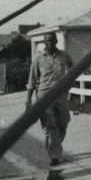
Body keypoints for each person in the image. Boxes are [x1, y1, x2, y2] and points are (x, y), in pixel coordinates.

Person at [25, 31, 74, 166]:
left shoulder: (63, 55)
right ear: (44, 42)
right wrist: (28, 99)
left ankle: (55, 146)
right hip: (44, 95)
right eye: (47, 41)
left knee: (63, 123)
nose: (49, 43)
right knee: (49, 126)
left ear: (56, 41)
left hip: (61, 95)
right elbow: (32, 79)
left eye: (52, 41)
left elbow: (73, 69)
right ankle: (54, 155)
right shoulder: (38, 58)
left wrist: (69, 86)